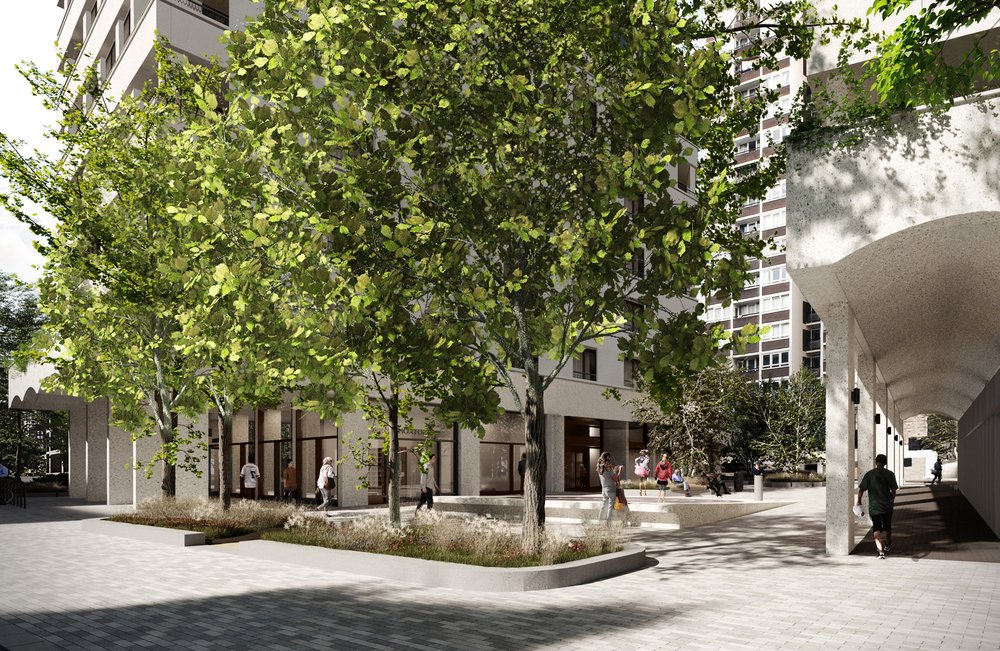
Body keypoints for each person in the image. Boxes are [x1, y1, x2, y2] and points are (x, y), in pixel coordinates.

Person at [857, 453, 898, 559]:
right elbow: (893, 490)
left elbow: (861, 489)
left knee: (876, 528)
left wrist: (859, 501)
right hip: (887, 506)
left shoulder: (869, 474)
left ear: (876, 462)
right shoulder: (890, 474)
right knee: (887, 527)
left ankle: (881, 552)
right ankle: (888, 543)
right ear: (885, 463)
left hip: (875, 507)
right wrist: (891, 501)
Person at [597, 451, 620, 523]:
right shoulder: (608, 467)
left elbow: (607, 476)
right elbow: (615, 478)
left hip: (604, 489)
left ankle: (600, 522)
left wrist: (613, 470)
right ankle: (609, 523)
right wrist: (619, 471)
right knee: (610, 507)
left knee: (604, 506)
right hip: (611, 489)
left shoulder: (599, 467)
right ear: (608, 458)